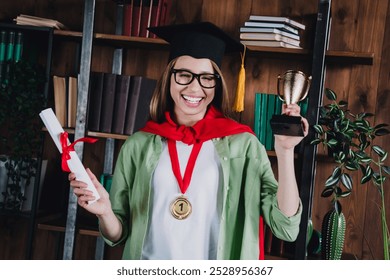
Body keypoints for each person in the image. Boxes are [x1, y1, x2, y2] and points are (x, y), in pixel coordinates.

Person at [69, 22, 308, 260]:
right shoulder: (138, 145)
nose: (195, 88)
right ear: (169, 78)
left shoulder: (243, 145)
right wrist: (105, 213)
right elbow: (118, 234)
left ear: (217, 83)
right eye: (184, 75)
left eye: (206, 78)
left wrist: (285, 152)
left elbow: (285, 228)